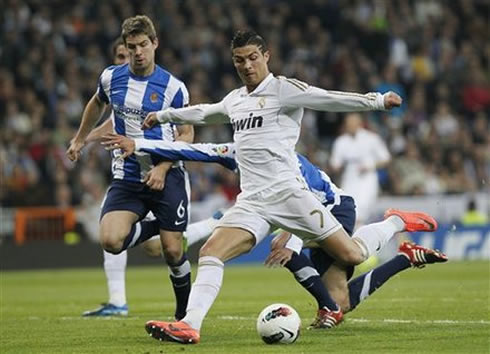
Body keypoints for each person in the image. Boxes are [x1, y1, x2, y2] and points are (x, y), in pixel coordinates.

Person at [139, 30, 434, 344]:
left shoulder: (284, 90)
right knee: (211, 251)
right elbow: (204, 112)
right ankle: (190, 325)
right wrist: (163, 115)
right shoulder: (236, 100)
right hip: (252, 201)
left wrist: (376, 101)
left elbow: (329, 99)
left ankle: (395, 221)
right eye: (240, 60)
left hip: (290, 195)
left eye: (253, 58)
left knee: (352, 254)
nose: (247, 66)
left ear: (266, 56)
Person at [103, 135, 447, 329]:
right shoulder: (244, 150)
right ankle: (403, 258)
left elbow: (307, 200)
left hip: (332, 207)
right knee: (342, 299)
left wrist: (291, 236)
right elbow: (198, 151)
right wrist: (141, 143)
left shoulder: (286, 160)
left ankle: (394, 222)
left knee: (348, 253)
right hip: (301, 216)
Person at [66, 15, 194, 321]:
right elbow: (97, 103)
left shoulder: (174, 88)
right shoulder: (111, 77)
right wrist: (80, 137)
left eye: (143, 45)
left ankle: (184, 314)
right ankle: (162, 228)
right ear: (125, 46)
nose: (138, 52)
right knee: (110, 242)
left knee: (173, 252)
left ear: (155, 44)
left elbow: (187, 134)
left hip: (167, 173)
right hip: (127, 176)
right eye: (132, 46)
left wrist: (162, 168)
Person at [330, 112, 391, 226]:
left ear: (360, 123)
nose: (350, 126)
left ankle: (359, 241)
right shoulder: (341, 141)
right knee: (348, 208)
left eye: (353, 123)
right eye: (348, 124)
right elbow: (335, 163)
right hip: (349, 177)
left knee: (361, 210)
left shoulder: (371, 138)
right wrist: (337, 167)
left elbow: (386, 159)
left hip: (367, 178)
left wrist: (370, 166)